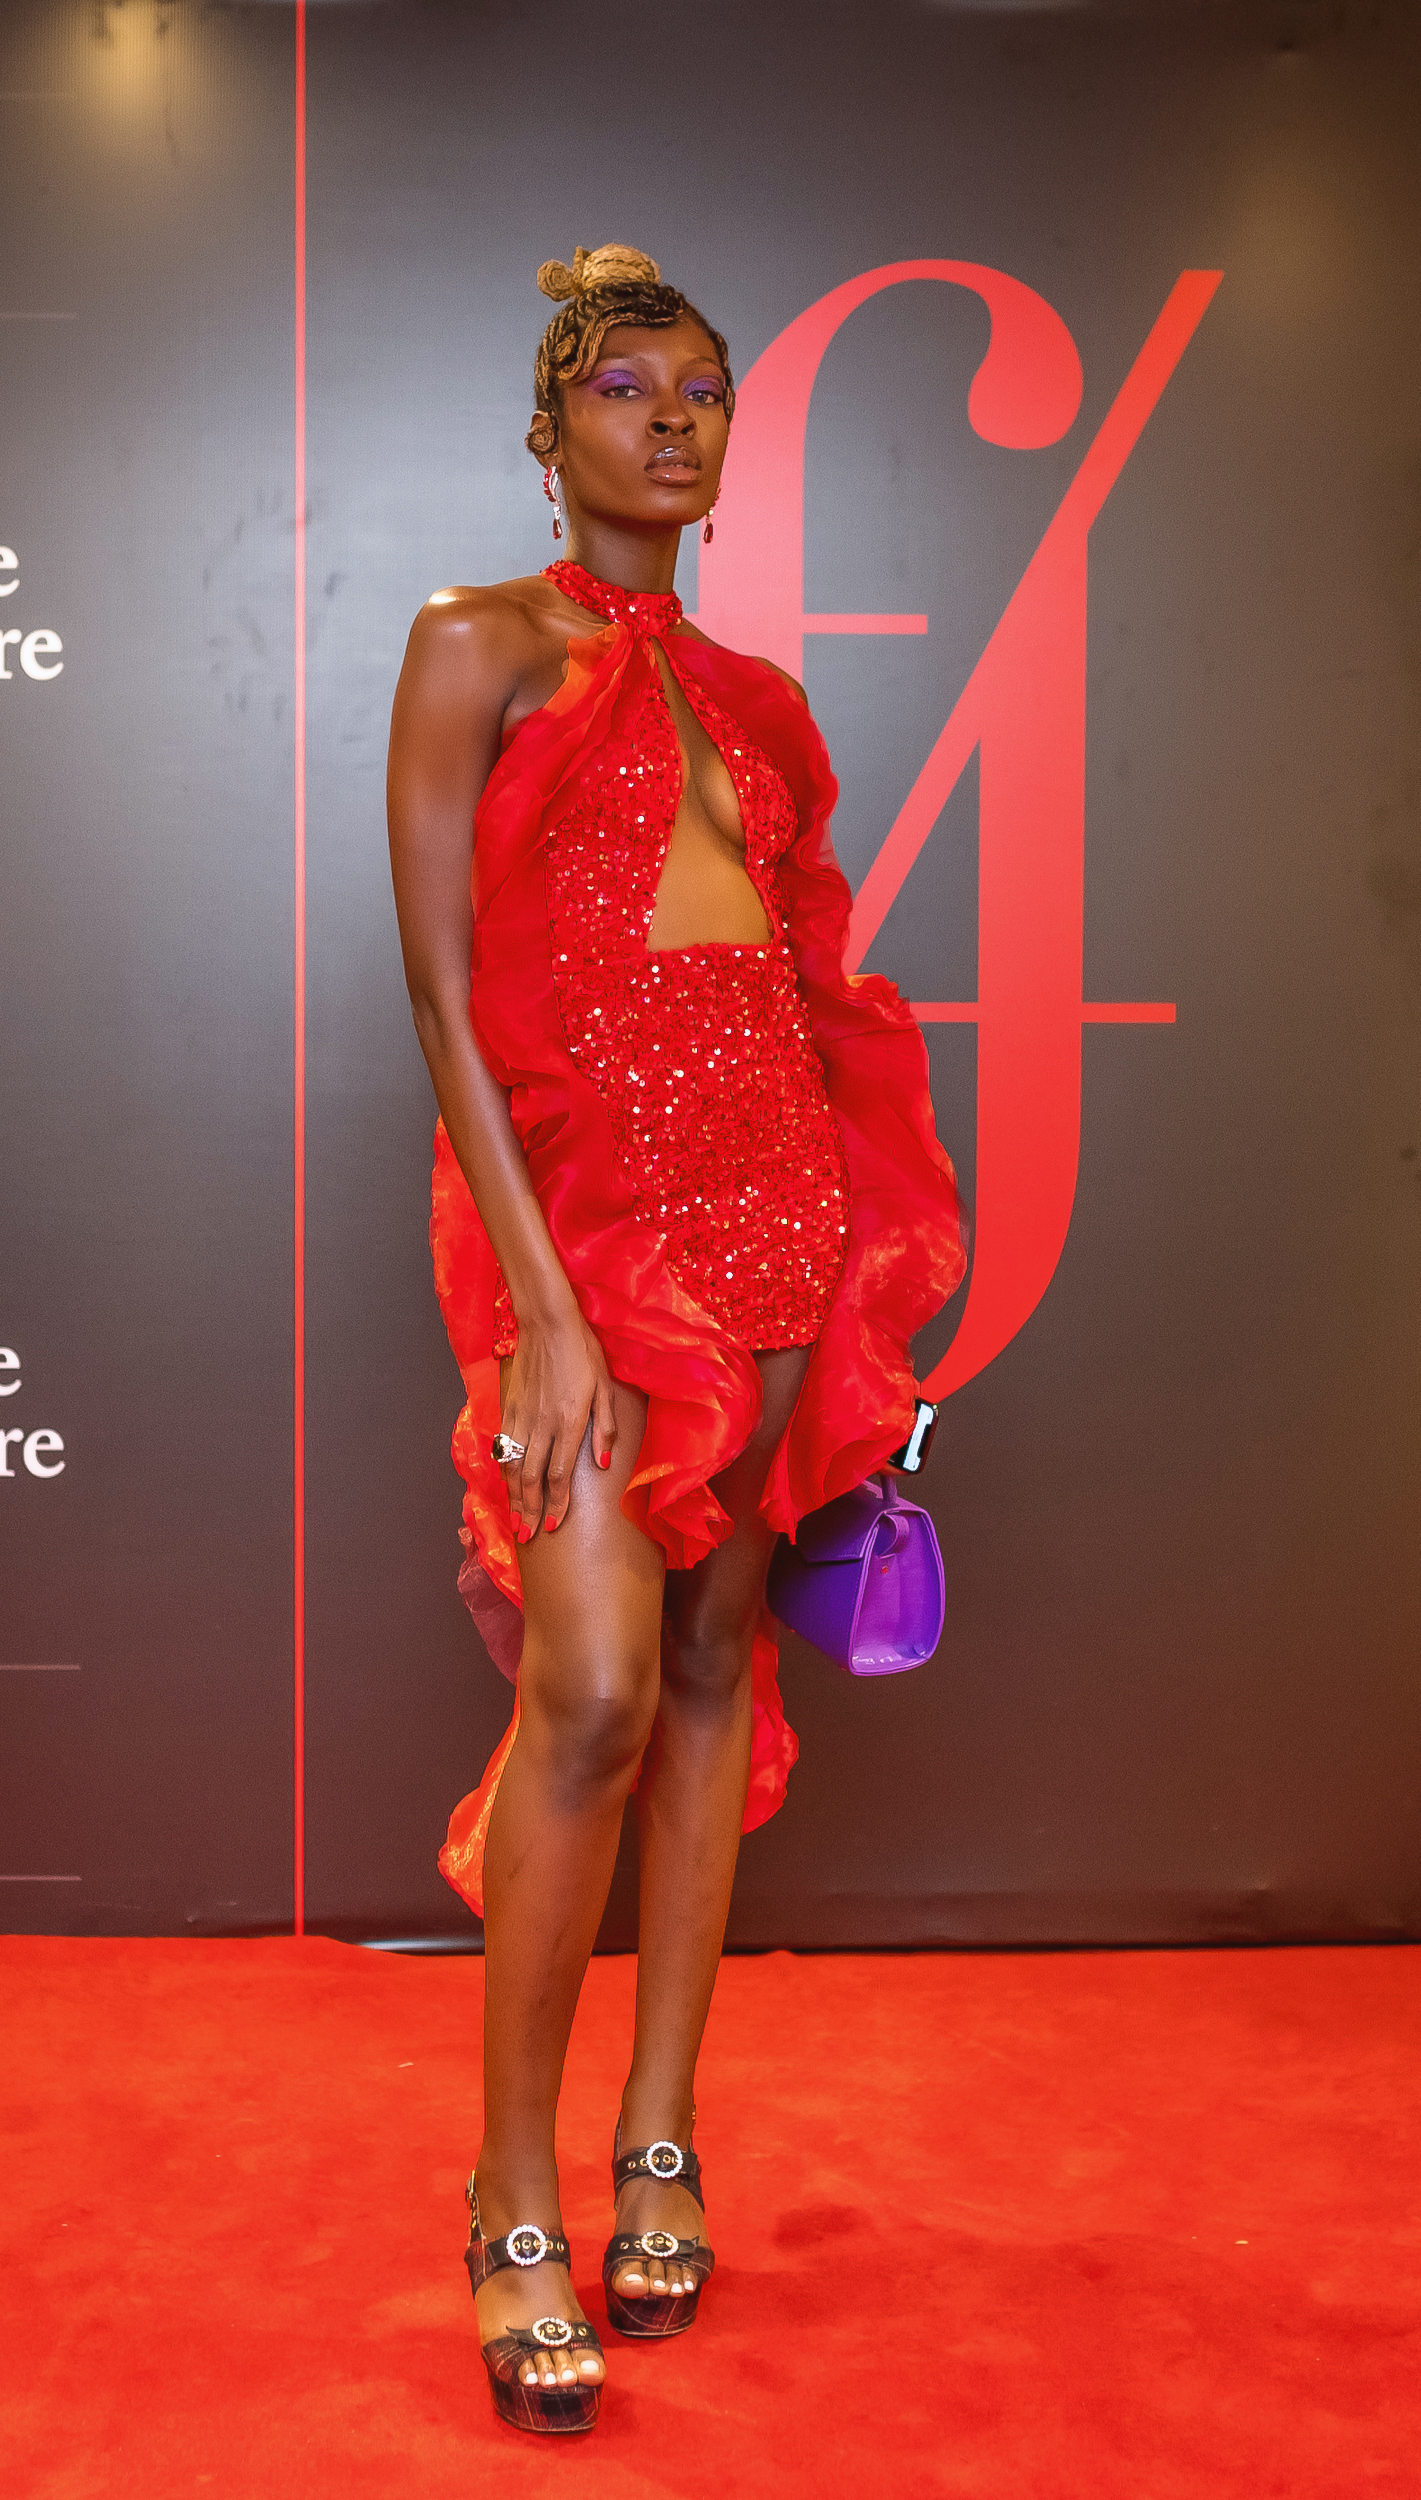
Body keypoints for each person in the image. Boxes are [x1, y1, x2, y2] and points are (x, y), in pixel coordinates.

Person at [387, 242, 964, 2435]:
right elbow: (443, 992)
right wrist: (542, 1307)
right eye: (626, 389)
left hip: (784, 1223)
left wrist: (862, 1260)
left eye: (702, 390)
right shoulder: (475, 646)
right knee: (597, 1688)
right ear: (550, 433)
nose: (672, 421)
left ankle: (660, 2138)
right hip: (586, 1246)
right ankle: (509, 2192)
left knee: (718, 1669)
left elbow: (799, 990)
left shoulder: (761, 699)